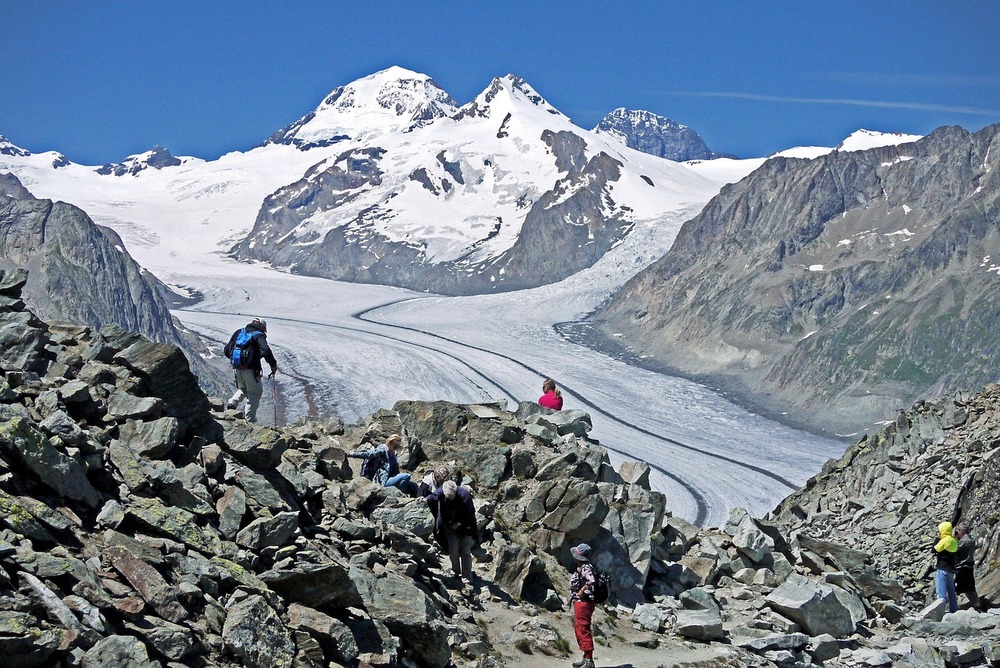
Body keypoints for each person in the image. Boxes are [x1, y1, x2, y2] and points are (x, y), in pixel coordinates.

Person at [224, 318, 278, 422]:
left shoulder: (239, 332)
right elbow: (266, 350)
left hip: (237, 368)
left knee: (244, 387)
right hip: (251, 370)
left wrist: (237, 361)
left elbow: (227, 350)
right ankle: (250, 420)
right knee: (255, 393)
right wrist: (273, 365)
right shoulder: (259, 335)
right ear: (262, 327)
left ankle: (232, 403)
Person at [426, 480, 477, 585]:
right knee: (453, 549)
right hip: (449, 524)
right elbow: (434, 497)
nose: (449, 498)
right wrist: (425, 499)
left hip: (466, 525)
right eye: (447, 496)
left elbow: (470, 514)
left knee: (465, 551)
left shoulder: (465, 496)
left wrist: (459, 523)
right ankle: (455, 571)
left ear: (456, 491)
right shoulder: (442, 490)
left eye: (451, 496)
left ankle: (467, 576)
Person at [347, 434, 418, 496]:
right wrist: (351, 454)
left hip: (393, 478)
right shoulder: (382, 450)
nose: (399, 444)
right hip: (384, 480)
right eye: (397, 441)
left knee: (414, 486)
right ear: (392, 441)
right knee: (406, 476)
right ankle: (398, 495)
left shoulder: (393, 453)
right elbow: (368, 454)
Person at [569, 543, 597, 668]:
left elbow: (591, 581)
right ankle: (586, 658)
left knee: (583, 628)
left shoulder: (586, 567)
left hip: (584, 602)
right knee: (580, 628)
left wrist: (581, 591)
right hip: (583, 602)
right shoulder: (584, 567)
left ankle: (589, 660)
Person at [932, 521, 959, 613]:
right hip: (951, 570)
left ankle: (940, 612)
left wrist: (937, 538)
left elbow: (934, 549)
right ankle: (954, 610)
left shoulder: (944, 541)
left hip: (942, 569)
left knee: (941, 593)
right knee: (951, 592)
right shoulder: (953, 540)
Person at [954, 523, 981, 610]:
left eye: (957, 531)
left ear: (961, 531)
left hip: (962, 567)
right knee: (970, 588)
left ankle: (952, 606)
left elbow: (954, 550)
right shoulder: (971, 540)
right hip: (969, 567)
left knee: (956, 587)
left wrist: (953, 538)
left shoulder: (964, 541)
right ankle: (977, 605)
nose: (956, 533)